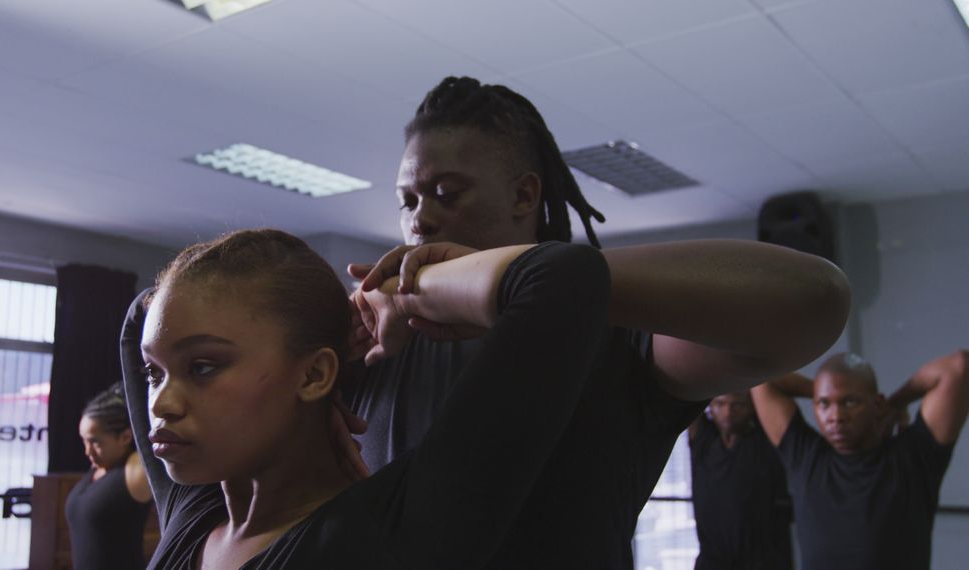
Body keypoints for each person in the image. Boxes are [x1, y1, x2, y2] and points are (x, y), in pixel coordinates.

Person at [340, 75, 851, 568]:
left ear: (524, 196)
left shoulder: (611, 334)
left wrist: (526, 282)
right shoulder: (378, 342)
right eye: (407, 201)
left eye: (447, 193)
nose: (418, 219)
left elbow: (816, 299)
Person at [121, 228, 615, 568]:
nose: (162, 403)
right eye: (154, 372)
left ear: (315, 374)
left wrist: (401, 294)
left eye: (202, 367)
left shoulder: (392, 533)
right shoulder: (197, 514)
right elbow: (135, 321)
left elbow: (564, 277)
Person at [750, 350, 969, 570]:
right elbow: (760, 380)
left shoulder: (912, 457)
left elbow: (958, 366)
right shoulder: (804, 455)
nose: (836, 417)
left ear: (877, 404)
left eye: (850, 401)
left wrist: (896, 402)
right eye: (824, 404)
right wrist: (823, 388)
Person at [687, 392, 792, 570]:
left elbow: (769, 388)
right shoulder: (702, 441)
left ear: (751, 407)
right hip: (712, 562)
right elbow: (690, 385)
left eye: (737, 406)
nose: (728, 413)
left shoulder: (764, 440)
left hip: (760, 562)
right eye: (720, 404)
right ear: (710, 407)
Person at [65, 383, 153, 570]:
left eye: (95, 442)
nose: (87, 451)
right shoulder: (98, 468)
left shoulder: (134, 470)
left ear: (126, 437)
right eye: (84, 440)